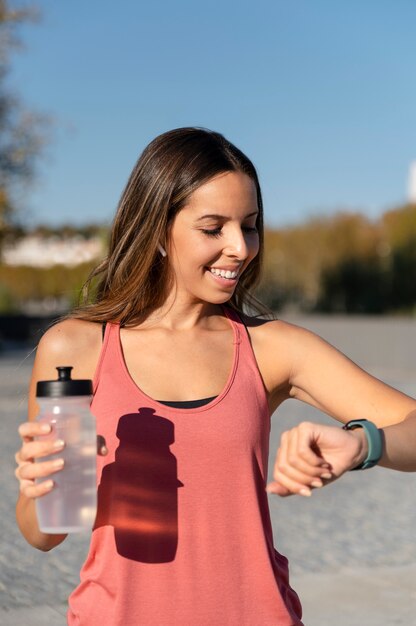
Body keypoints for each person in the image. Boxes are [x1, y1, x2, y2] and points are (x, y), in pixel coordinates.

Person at [14, 127, 416, 626]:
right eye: (213, 228)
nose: (240, 247)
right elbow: (41, 534)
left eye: (249, 226)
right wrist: (41, 486)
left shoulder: (275, 349)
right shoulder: (75, 348)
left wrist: (362, 444)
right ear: (158, 231)